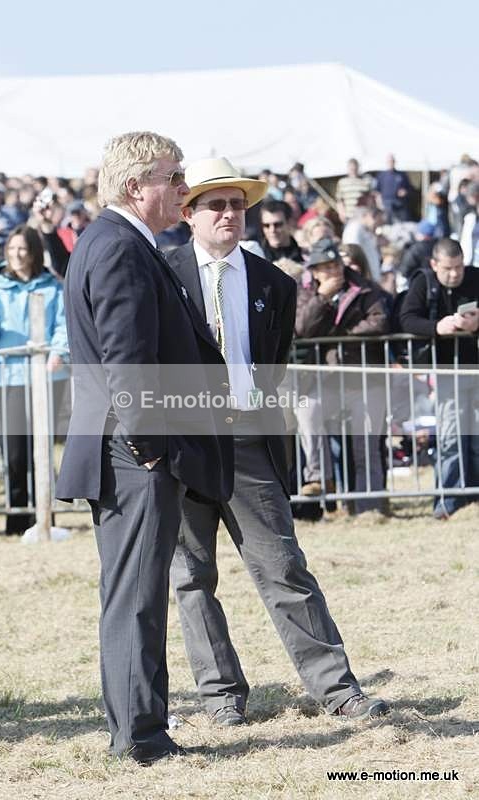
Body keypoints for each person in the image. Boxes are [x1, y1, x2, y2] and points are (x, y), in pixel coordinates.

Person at [168, 157, 389, 728]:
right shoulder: (161, 275)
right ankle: (219, 695)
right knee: (191, 576)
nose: (229, 214)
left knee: (284, 567)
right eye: (216, 204)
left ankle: (338, 690)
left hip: (247, 441)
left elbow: (273, 367)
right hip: (184, 443)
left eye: (238, 204)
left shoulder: (274, 284)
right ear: (189, 214)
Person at [55, 132, 233, 765]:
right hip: (133, 454)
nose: (185, 187)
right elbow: (127, 363)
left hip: (130, 451)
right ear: (138, 185)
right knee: (136, 598)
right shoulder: (119, 248)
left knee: (138, 594)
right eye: (175, 176)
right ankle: (141, 738)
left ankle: (140, 728)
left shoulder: (122, 243)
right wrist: (152, 450)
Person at [0, 225, 68, 535]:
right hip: (10, 378)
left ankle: (45, 517)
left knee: (42, 448)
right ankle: (16, 520)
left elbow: (63, 325)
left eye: (22, 249)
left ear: (33, 252)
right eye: (11, 249)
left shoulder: (53, 287)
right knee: (15, 450)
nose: (16, 255)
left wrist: (58, 353)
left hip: (48, 377)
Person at [295, 239, 389, 511]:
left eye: (335, 264)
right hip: (326, 380)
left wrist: (340, 336)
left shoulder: (365, 288)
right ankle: (318, 477)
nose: (333, 271)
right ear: (313, 271)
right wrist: (322, 298)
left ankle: (369, 507)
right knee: (306, 409)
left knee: (365, 448)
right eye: (324, 267)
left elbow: (379, 322)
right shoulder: (305, 292)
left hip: (365, 378)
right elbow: (302, 328)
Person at [399, 239, 479, 519]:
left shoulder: (475, 276)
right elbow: (406, 318)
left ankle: (474, 498)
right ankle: (448, 500)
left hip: (475, 368)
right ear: (434, 265)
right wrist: (437, 327)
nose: (455, 274)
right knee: (450, 438)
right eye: (448, 268)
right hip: (447, 373)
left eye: (459, 266)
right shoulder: (424, 283)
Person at [375, 154, 411, 223]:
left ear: (394, 162)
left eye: (392, 161)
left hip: (400, 205)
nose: (390, 163)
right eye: (389, 161)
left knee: (402, 224)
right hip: (386, 205)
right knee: (387, 224)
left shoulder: (402, 175)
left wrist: (405, 192)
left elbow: (410, 189)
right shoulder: (381, 175)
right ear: (386, 162)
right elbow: (377, 191)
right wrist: (379, 204)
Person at [335, 158, 372, 223]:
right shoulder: (342, 182)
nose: (353, 169)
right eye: (351, 168)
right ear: (348, 168)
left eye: (355, 167)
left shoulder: (366, 181)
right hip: (348, 216)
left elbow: (370, 199)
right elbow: (339, 200)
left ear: (358, 168)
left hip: (362, 215)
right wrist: (341, 213)